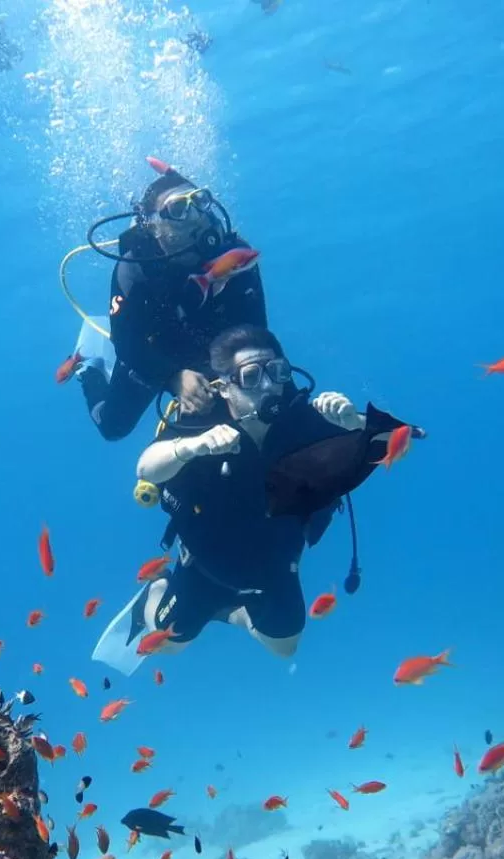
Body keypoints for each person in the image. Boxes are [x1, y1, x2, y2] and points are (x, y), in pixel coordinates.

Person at [127, 325, 367, 658]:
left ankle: (233, 614)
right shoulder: (199, 422)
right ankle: (157, 590)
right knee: (167, 646)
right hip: (204, 565)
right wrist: (190, 448)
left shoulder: (306, 420)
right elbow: (146, 467)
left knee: (285, 648)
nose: (269, 386)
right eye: (251, 376)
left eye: (277, 372)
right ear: (224, 387)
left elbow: (398, 438)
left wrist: (355, 423)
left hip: (275, 563)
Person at [78, 163, 266, 440]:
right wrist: (173, 377)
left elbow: (258, 330)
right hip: (153, 351)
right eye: (178, 209)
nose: (195, 216)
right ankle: (88, 370)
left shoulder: (236, 255)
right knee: (112, 428)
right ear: (153, 225)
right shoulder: (134, 269)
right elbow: (128, 346)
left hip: (217, 349)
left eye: (200, 200)